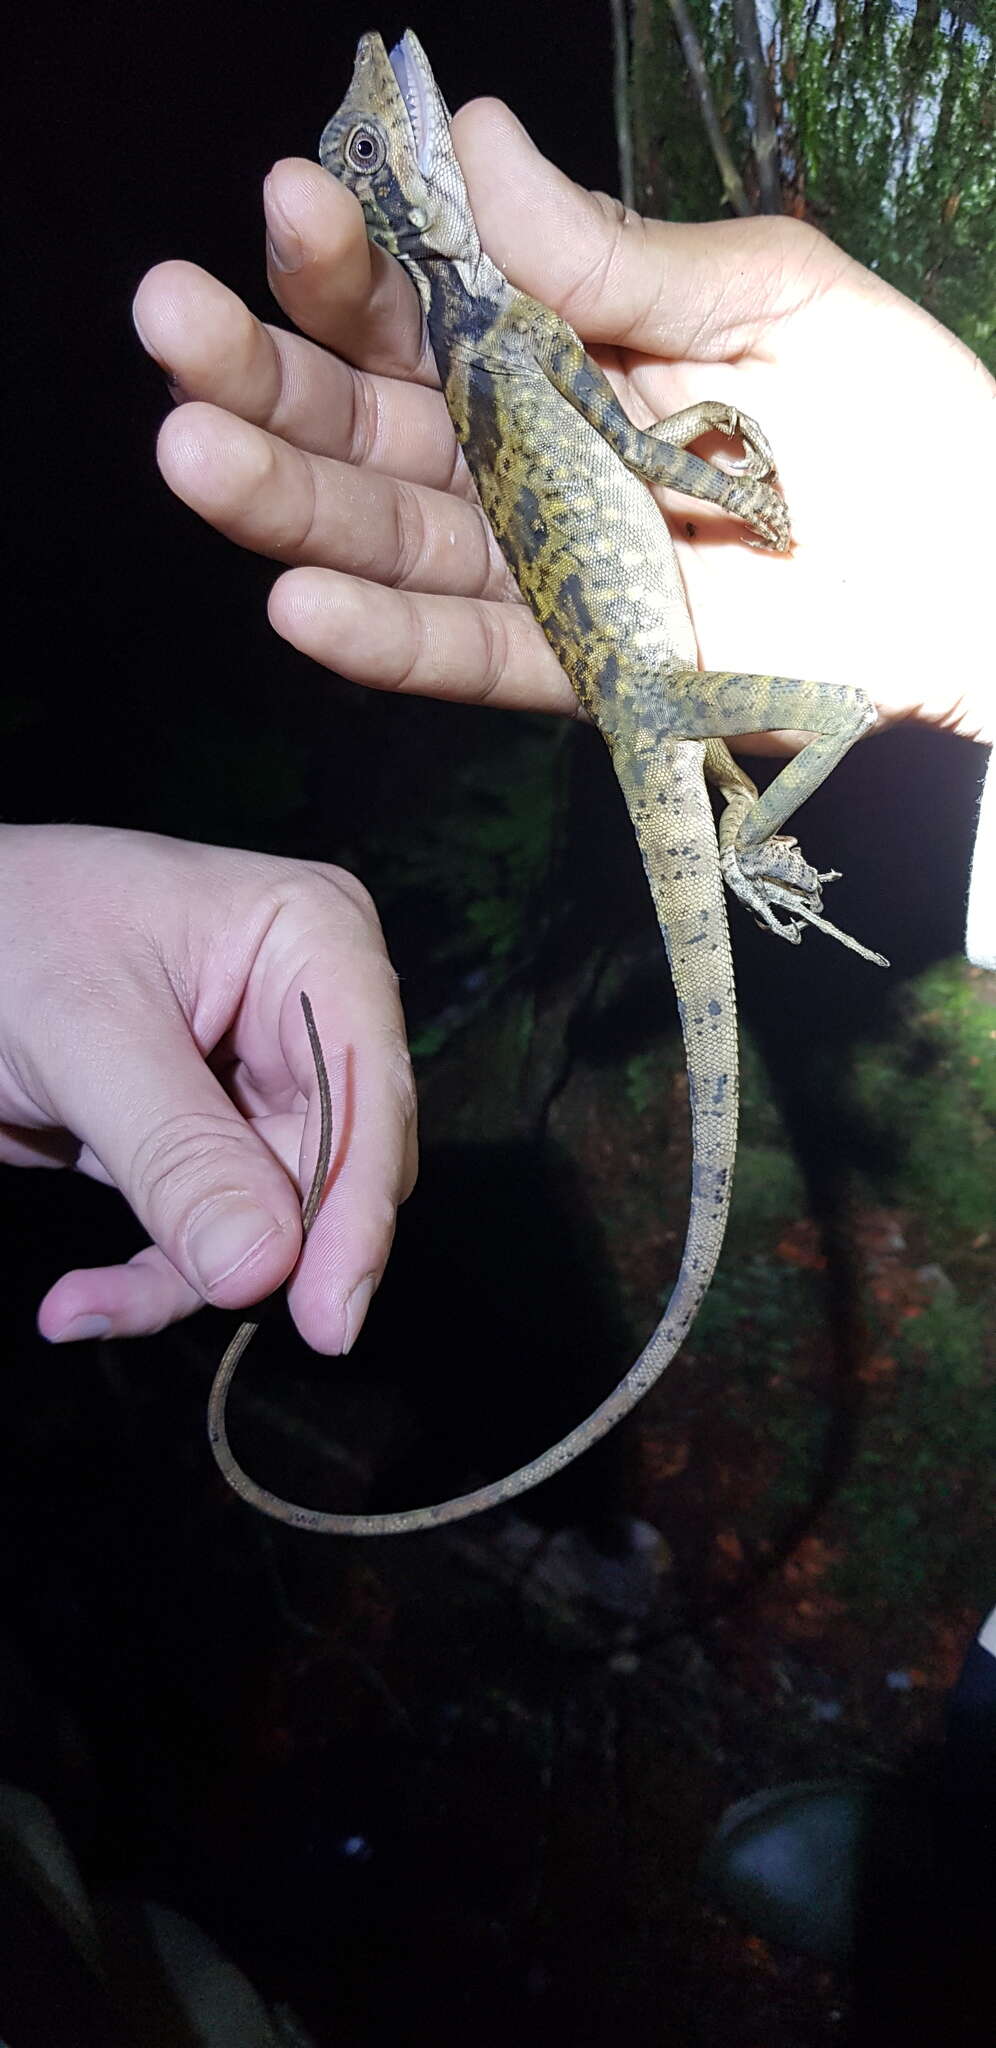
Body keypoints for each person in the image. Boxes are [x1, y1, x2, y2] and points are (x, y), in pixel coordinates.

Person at [1, 92, 991, 2028]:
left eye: (386, 149)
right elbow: (634, 441)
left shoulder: (483, 348)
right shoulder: (500, 344)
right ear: (416, 205)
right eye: (396, 144)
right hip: (661, 688)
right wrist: (717, 463)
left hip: (653, 681)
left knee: (787, 720)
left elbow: (622, 456)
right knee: (782, 737)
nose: (407, 118)